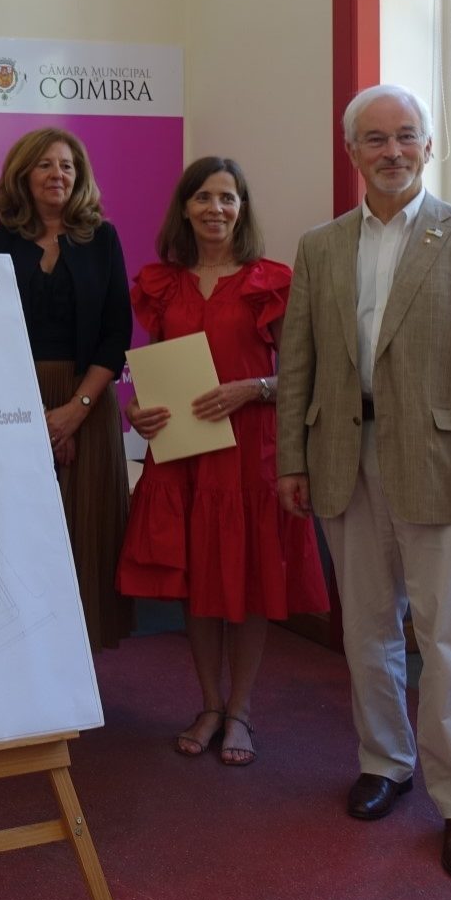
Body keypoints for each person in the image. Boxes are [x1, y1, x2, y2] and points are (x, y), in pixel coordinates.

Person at [276, 84, 451, 882]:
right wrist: (292, 459)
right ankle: (384, 762)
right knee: (366, 631)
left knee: (450, 643)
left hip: (444, 471)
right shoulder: (319, 247)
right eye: (375, 140)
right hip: (345, 461)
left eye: (405, 137)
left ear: (428, 147)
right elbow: (300, 365)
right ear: (351, 152)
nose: (391, 152)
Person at [119, 157, 329, 767]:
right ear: (185, 207)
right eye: (204, 197)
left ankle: (240, 711)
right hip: (183, 452)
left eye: (228, 198)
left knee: (250, 581)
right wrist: (137, 408)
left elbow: (299, 374)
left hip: (249, 453)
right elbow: (154, 368)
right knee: (196, 582)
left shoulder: (272, 279)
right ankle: (209, 704)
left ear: (243, 208)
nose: (216, 209)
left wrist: (252, 390)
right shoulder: (162, 282)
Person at [0, 127, 133, 650]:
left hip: (87, 400)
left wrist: (73, 411)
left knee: (87, 535)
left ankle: (82, 659)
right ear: (24, 174)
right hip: (16, 401)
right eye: (45, 164)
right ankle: (26, 654)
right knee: (22, 536)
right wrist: (37, 417)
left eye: (67, 165)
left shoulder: (103, 238)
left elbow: (117, 334)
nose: (57, 174)